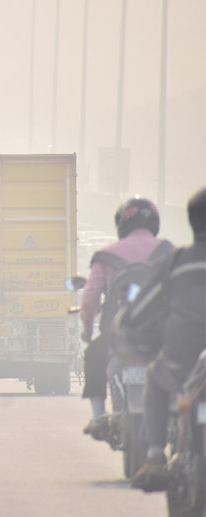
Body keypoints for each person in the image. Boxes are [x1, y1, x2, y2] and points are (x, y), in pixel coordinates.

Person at [130, 188, 206, 489]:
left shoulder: (177, 262)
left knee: (154, 377)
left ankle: (154, 454)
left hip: (181, 362)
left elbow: (141, 310)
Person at [80, 197, 173, 436]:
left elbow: (89, 300)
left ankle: (99, 415)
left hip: (117, 336)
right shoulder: (168, 251)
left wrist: (88, 331)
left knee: (93, 355)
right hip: (161, 335)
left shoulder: (105, 256)